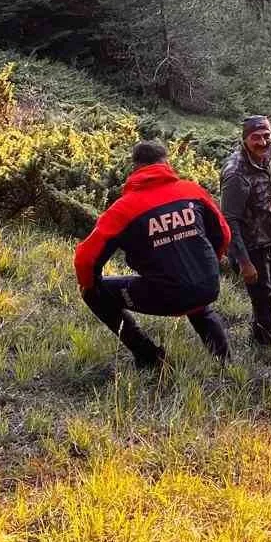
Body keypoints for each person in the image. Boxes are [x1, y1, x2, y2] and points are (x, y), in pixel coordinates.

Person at [73, 140, 232, 371]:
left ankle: (149, 356)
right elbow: (224, 234)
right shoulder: (192, 191)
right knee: (198, 302)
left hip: (166, 294)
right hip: (206, 286)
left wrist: (92, 285)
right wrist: (205, 266)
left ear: (135, 168)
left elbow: (85, 260)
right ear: (165, 163)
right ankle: (226, 365)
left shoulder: (123, 209)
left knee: (92, 294)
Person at [220, 115, 271, 346]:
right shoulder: (236, 174)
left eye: (266, 136)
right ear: (245, 139)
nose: (263, 142)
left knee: (267, 291)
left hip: (267, 240)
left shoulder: (263, 158)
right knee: (263, 295)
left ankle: (259, 331)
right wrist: (244, 262)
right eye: (256, 137)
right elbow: (230, 220)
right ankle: (265, 340)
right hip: (250, 245)